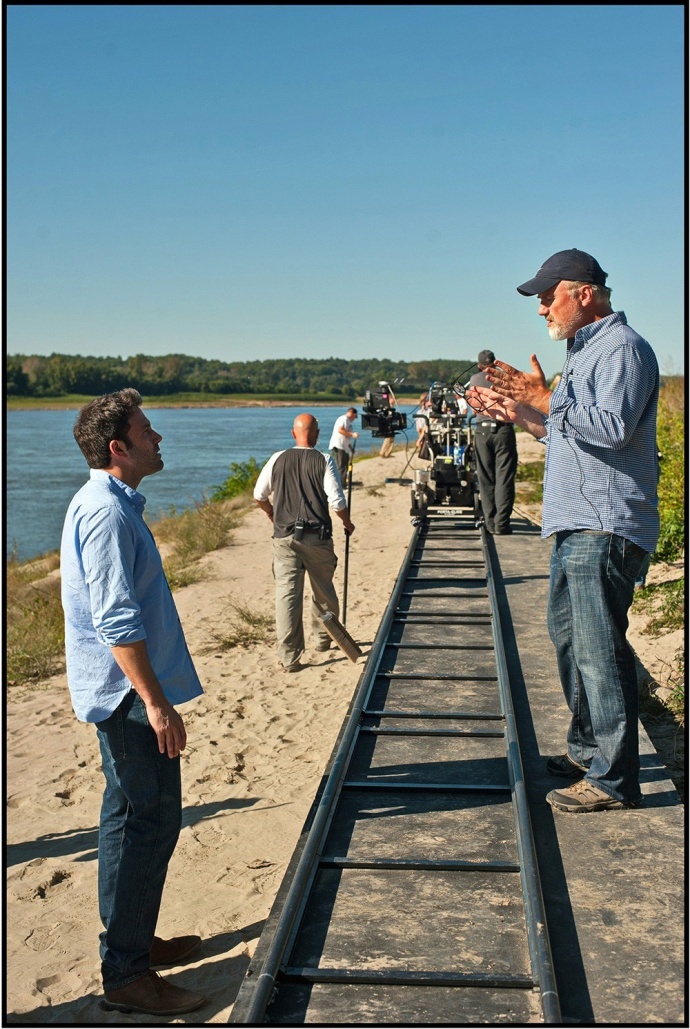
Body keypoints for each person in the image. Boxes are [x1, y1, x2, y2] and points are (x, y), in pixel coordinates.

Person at [465, 248, 659, 814]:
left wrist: (543, 397)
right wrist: (519, 414)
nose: (542, 308)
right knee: (572, 643)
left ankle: (614, 779)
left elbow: (615, 429)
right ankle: (586, 751)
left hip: (606, 522)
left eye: (549, 296)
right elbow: (569, 436)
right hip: (577, 522)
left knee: (599, 651)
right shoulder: (584, 352)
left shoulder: (623, 348)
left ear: (585, 293)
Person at [60, 389, 207, 1016]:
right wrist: (156, 702)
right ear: (118, 447)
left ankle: (130, 938)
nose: (159, 438)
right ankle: (126, 973)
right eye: (148, 430)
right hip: (125, 697)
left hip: (122, 693)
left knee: (125, 817)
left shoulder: (111, 503)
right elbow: (116, 619)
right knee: (152, 822)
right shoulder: (106, 513)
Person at [254, 413, 355, 671]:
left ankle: (290, 658)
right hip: (317, 537)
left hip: (284, 537)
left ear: (292, 433)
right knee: (323, 590)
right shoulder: (323, 459)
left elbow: (259, 494)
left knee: (287, 595)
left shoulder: (277, 458)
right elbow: (338, 502)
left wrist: (271, 513)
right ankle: (324, 639)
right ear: (318, 435)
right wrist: (347, 522)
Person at [467, 350, 518, 534]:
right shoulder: (505, 378)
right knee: (504, 478)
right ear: (494, 363)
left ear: (479, 365)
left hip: (482, 430)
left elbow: (473, 409)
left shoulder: (474, 379)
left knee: (486, 477)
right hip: (503, 430)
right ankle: (501, 524)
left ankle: (489, 523)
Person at [329, 406, 359, 483]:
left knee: (345, 466)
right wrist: (352, 434)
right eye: (355, 416)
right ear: (352, 413)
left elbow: (346, 437)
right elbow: (340, 430)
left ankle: (343, 482)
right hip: (338, 445)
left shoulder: (348, 422)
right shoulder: (344, 419)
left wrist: (351, 448)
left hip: (344, 447)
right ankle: (341, 485)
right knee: (341, 466)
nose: (354, 419)